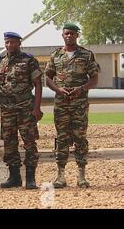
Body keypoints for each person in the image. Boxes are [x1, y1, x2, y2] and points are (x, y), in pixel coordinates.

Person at [45, 23, 99, 188]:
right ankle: (60, 176)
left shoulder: (86, 55)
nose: (69, 36)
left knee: (80, 139)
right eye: (66, 33)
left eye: (72, 33)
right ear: (63, 35)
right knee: (61, 139)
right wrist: (58, 89)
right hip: (61, 105)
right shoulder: (55, 55)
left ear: (77, 35)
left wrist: (81, 89)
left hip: (79, 105)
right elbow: (47, 78)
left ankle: (81, 176)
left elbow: (94, 79)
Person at [0, 32, 43, 189]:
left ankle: (31, 179)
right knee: (9, 143)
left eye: (12, 42)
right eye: (7, 42)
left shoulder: (28, 60)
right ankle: (14, 177)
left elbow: (38, 84)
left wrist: (37, 107)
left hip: (25, 108)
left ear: (19, 43)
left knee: (29, 142)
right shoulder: (1, 62)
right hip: (7, 109)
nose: (9, 45)